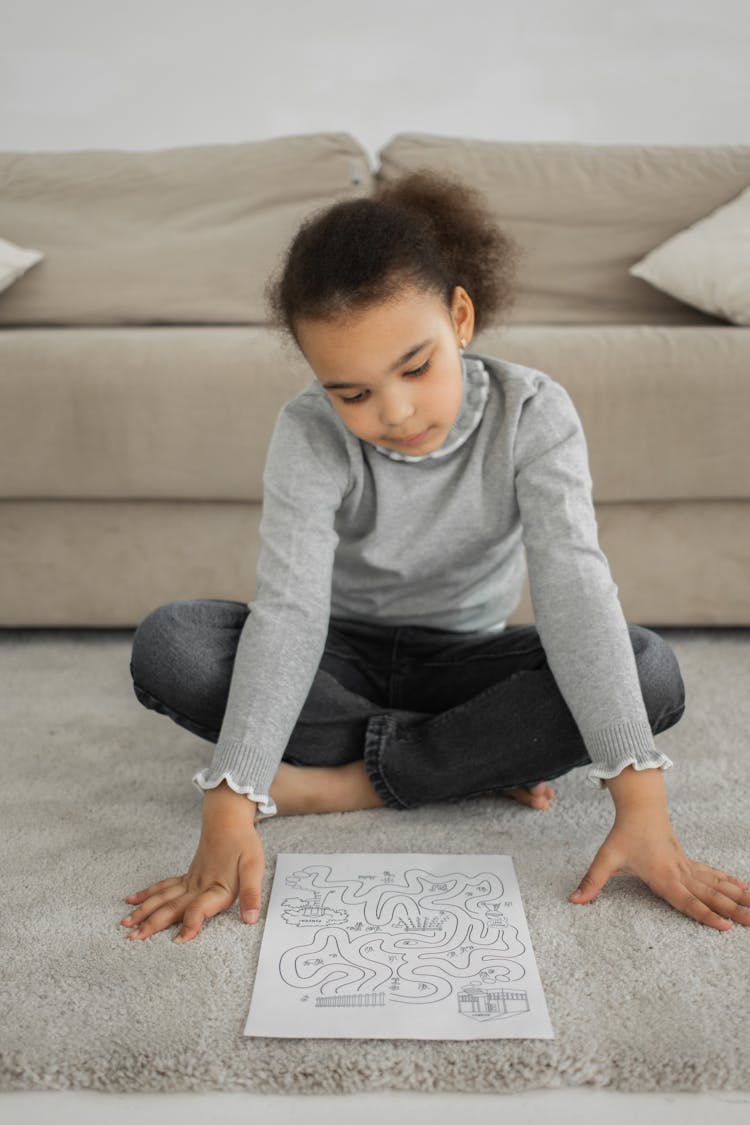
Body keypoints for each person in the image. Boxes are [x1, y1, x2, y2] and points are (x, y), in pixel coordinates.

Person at [123, 169, 749, 946]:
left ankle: (344, 786)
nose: (393, 413)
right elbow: (289, 612)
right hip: (337, 654)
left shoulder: (534, 411)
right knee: (171, 642)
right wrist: (231, 797)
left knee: (648, 670)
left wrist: (642, 805)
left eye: (415, 368)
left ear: (460, 316)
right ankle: (467, 755)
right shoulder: (306, 433)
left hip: (466, 660)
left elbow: (573, 588)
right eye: (351, 393)